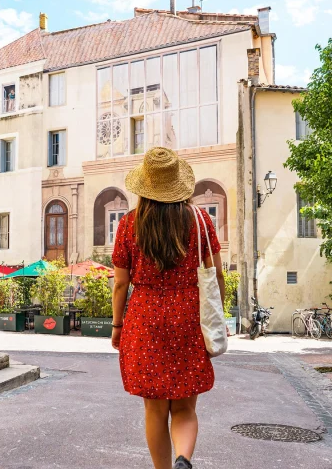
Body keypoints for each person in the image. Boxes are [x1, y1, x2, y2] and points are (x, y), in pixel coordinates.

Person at [111, 147, 225, 469]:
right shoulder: (201, 220)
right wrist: (217, 312)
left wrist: (117, 325)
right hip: (189, 316)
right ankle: (182, 459)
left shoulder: (128, 225)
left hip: (144, 318)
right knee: (186, 408)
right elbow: (216, 273)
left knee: (155, 410)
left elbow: (121, 284)